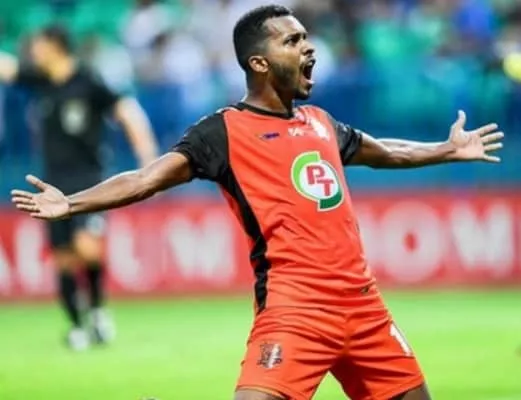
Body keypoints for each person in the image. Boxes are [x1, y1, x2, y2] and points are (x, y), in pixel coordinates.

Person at [11, 5, 503, 400]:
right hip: (296, 309)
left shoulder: (321, 122)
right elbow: (146, 178)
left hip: (366, 308)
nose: (308, 46)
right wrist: (71, 204)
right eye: (292, 40)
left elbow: (387, 151)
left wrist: (445, 150)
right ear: (259, 63)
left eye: (306, 37)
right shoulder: (222, 131)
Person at [1, 25, 159, 351]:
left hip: (90, 179)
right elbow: (8, 68)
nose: (33, 52)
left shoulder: (89, 81)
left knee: (87, 249)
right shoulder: (42, 82)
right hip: (52, 183)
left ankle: (98, 310)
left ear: (55, 46)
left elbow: (127, 111)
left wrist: (147, 155)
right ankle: (76, 327)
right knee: (63, 259)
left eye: (38, 45)